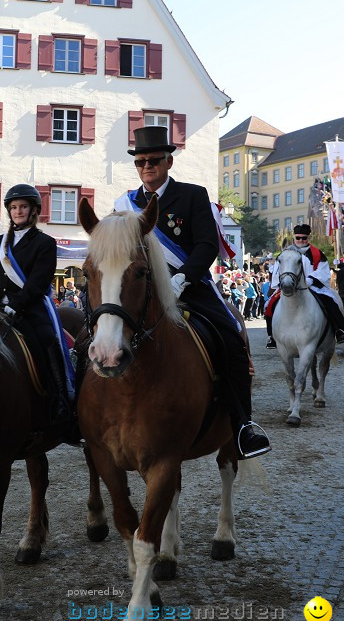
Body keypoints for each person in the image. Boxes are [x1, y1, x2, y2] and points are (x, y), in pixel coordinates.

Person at [113, 126, 268, 459]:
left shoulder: (192, 195)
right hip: (141, 289)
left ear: (169, 162)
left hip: (189, 286)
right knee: (94, 335)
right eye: (140, 162)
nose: (146, 167)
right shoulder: (124, 204)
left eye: (153, 160)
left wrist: (181, 278)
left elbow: (206, 245)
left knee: (230, 338)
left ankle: (242, 425)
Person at [0, 183, 73, 436]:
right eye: (13, 207)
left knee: (46, 340)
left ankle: (59, 399)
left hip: (29, 308)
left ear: (33, 211)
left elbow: (39, 281)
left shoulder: (45, 243)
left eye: (23, 207)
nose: (18, 211)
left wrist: (16, 305)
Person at [264, 225, 344, 348]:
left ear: (308, 238)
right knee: (269, 305)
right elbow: (278, 270)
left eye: (304, 238)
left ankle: (338, 330)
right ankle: (272, 336)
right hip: (288, 285)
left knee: (331, 302)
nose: (301, 241)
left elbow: (323, 271)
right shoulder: (285, 254)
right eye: (298, 238)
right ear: (294, 238)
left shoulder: (317, 254)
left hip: (313, 286)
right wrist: (280, 283)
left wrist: (309, 280)